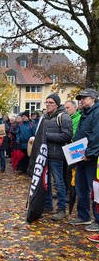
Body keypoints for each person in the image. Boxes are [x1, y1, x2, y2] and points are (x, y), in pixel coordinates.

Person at [68, 89, 99, 230]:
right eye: (81, 98)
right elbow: (81, 134)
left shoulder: (97, 113)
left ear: (93, 98)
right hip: (81, 156)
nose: (82, 100)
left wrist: (90, 153)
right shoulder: (84, 114)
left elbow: (96, 136)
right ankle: (84, 216)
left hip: (91, 158)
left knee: (94, 190)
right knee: (80, 187)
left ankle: (97, 221)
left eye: (85, 98)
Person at [43, 93, 73, 221]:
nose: (48, 104)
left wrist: (47, 136)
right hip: (45, 154)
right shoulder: (45, 117)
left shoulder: (64, 117)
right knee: (46, 182)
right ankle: (48, 205)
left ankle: (61, 210)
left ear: (57, 104)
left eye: (51, 103)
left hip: (57, 155)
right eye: (47, 102)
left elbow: (67, 136)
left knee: (59, 183)